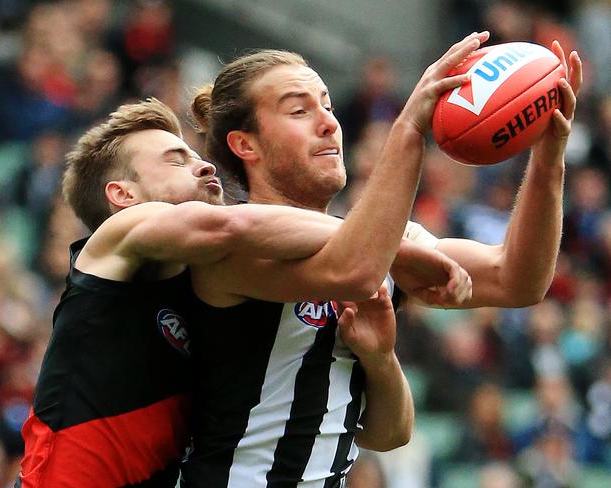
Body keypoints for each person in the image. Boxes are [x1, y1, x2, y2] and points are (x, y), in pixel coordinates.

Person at [181, 33, 582, 487]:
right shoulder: (227, 241)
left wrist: (549, 156)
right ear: (245, 145)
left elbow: (517, 281)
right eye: (299, 110)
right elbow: (353, 268)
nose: (329, 123)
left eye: (328, 106)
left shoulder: (383, 248)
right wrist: (409, 127)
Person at [15, 91, 471, 487]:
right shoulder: (121, 234)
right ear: (123, 195)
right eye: (176, 159)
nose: (201, 166)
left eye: (197, 156)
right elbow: (230, 225)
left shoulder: (201, 283)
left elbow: (386, 433)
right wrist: (391, 245)